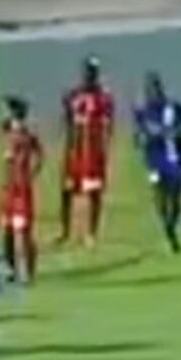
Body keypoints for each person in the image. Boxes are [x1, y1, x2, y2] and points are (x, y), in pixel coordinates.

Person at [134, 72, 181, 254]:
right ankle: (167, 228)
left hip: (178, 161)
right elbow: (138, 136)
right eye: (149, 89)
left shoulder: (175, 108)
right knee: (159, 192)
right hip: (154, 162)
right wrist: (142, 139)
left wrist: (179, 130)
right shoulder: (143, 112)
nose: (152, 93)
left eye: (155, 88)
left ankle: (172, 224)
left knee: (176, 197)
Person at [60, 56, 115, 248]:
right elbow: (68, 120)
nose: (88, 75)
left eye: (92, 72)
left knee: (94, 192)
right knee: (67, 190)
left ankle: (91, 233)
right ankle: (65, 231)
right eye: (87, 71)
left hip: (93, 151)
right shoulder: (74, 94)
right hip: (75, 150)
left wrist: (105, 146)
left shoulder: (104, 97)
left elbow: (109, 124)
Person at [0, 96, 44, 283]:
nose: (11, 115)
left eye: (15, 111)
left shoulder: (27, 135)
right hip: (7, 189)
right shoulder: (8, 129)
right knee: (7, 231)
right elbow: (4, 123)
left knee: (24, 232)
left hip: (22, 190)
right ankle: (11, 270)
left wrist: (33, 172)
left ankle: (29, 273)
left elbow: (40, 154)